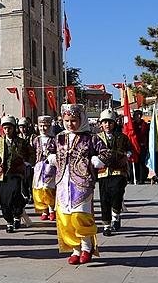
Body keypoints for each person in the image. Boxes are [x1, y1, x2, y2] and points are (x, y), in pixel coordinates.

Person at [47, 104, 110, 265]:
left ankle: (87, 247)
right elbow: (48, 150)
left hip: (82, 182)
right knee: (65, 217)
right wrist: (51, 157)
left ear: (81, 120)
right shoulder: (59, 136)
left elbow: (106, 152)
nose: (70, 124)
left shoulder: (90, 137)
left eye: (73, 120)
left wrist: (98, 160)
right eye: (66, 120)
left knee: (80, 216)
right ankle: (75, 249)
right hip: (62, 181)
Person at [0, 116, 32, 233]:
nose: (7, 131)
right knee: (3, 199)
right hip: (2, 174)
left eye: (9, 128)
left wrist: (26, 163)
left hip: (16, 173)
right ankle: (9, 221)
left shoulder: (21, 142)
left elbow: (31, 153)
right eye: (5, 128)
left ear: (13, 128)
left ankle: (16, 214)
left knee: (14, 193)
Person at [96, 109, 131, 236]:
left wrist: (127, 155)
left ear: (114, 123)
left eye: (110, 122)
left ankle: (116, 214)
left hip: (119, 170)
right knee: (104, 199)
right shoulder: (97, 138)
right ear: (101, 124)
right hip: (103, 171)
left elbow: (130, 149)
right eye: (105, 122)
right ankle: (106, 225)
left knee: (117, 193)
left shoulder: (122, 137)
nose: (107, 125)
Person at [31, 116, 57, 221]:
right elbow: (32, 152)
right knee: (40, 188)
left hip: (50, 167)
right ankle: (44, 210)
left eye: (46, 126)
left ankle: (51, 210)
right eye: (41, 126)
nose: (43, 128)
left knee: (48, 188)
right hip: (38, 167)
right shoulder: (36, 140)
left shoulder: (54, 139)